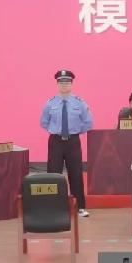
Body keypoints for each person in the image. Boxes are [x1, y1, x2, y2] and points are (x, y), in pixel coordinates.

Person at [40, 70, 94, 217]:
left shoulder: (79, 103)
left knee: (76, 174)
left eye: (67, 82)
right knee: (53, 174)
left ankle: (79, 207)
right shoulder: (50, 103)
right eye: (61, 82)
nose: (64, 85)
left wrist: (75, 132)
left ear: (71, 84)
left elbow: (88, 122)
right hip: (55, 141)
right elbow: (44, 122)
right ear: (57, 85)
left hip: (73, 141)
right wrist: (56, 131)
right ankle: (53, 209)